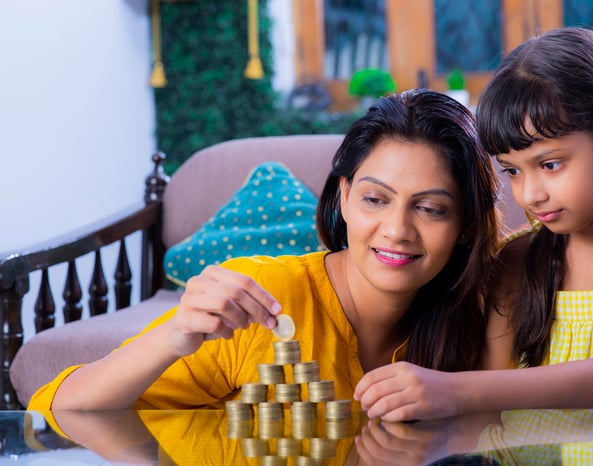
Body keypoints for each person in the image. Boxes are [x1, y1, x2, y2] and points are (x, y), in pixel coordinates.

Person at [29, 88, 500, 411]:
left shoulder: (478, 312)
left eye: (431, 209)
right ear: (343, 196)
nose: (397, 230)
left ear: (464, 224)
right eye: (375, 199)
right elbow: (61, 407)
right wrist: (175, 334)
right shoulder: (260, 297)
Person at [354, 27, 593, 421]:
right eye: (513, 172)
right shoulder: (515, 262)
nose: (530, 194)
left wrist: (448, 388)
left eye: (550, 164)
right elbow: (494, 416)